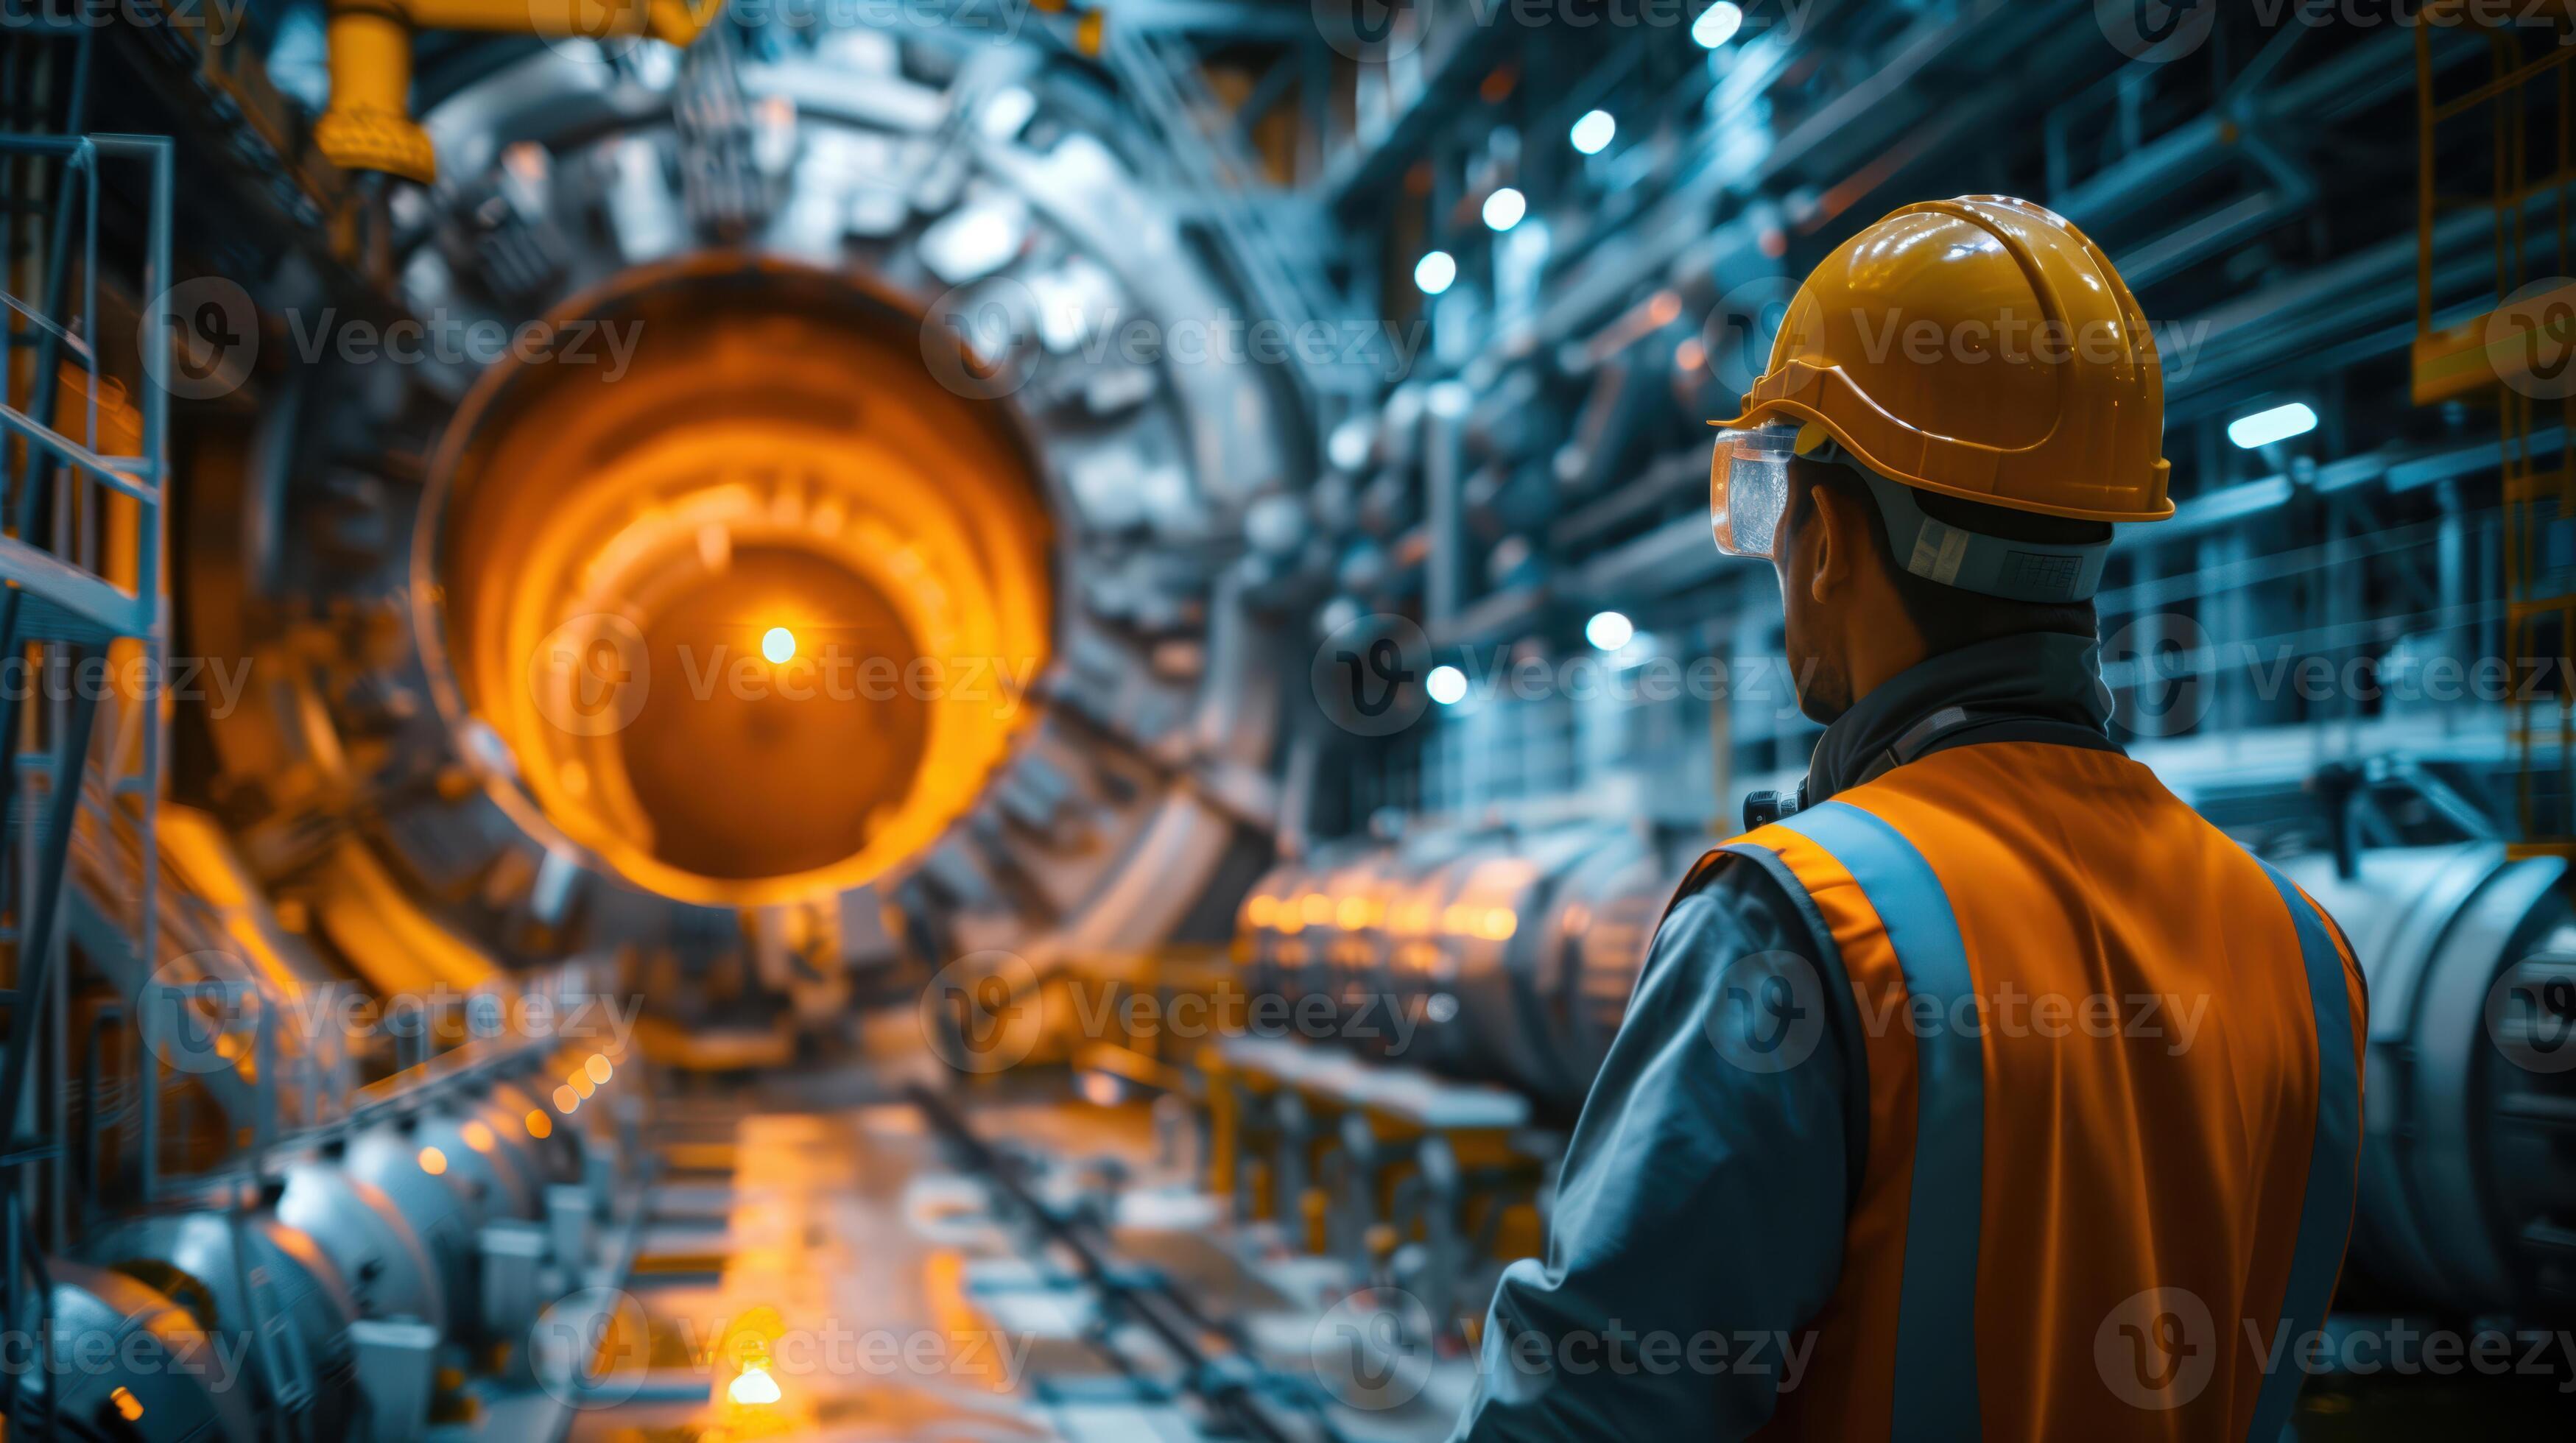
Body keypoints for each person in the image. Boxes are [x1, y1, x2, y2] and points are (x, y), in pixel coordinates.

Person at [1447, 196, 2367, 1440]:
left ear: (1823, 535)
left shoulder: (1800, 924)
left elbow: (1591, 1414)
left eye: (1773, 514)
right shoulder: (2299, 950)